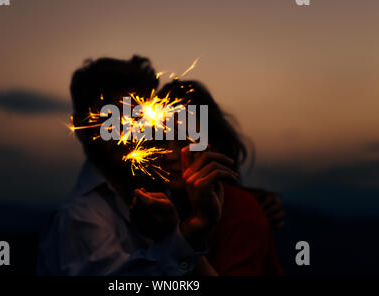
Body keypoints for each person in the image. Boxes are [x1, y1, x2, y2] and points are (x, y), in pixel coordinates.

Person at [37, 56, 231, 275]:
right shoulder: (81, 219)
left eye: (137, 115)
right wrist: (190, 233)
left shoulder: (159, 189)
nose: (130, 130)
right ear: (82, 127)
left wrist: (246, 198)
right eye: (112, 117)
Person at [153, 80, 283, 275]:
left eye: (184, 141)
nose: (168, 155)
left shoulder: (241, 215)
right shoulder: (160, 202)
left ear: (215, 147)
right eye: (160, 140)